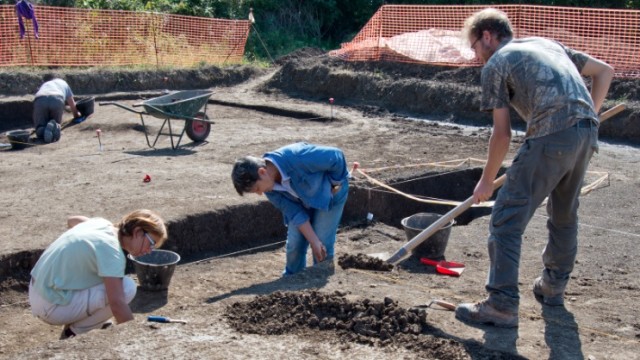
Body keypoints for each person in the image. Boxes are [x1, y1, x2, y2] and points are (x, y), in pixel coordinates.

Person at [455, 8, 613, 328]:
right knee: (564, 215)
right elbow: (605, 72)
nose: (475, 55)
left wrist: (485, 182)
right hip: (585, 135)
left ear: (487, 36)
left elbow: (502, 133)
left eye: (473, 46)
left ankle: (501, 304)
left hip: (550, 135)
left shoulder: (496, 64)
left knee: (506, 219)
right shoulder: (547, 44)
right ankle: (552, 289)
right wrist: (588, 118)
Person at [29, 209, 167, 339]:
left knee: (107, 278)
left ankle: (93, 321)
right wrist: (133, 338)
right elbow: (117, 304)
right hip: (50, 306)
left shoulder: (100, 224)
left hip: (37, 289)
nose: (150, 250)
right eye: (151, 243)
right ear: (137, 232)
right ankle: (74, 333)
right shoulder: (112, 253)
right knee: (127, 288)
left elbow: (72, 220)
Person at [231, 142, 350, 276]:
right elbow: (295, 213)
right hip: (302, 201)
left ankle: (321, 276)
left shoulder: (298, 157)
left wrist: (335, 183)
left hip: (330, 196)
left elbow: (336, 156)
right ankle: (292, 279)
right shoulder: (269, 187)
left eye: (257, 189)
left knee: (322, 240)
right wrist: (313, 241)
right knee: (294, 244)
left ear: (262, 172)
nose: (260, 193)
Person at [32, 74, 81, 143]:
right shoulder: (64, 83)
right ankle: (53, 129)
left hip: (40, 99)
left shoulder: (45, 84)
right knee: (55, 126)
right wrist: (77, 114)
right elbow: (72, 104)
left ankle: (42, 130)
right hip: (57, 98)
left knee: (40, 127)